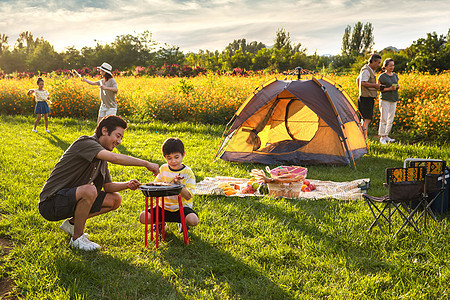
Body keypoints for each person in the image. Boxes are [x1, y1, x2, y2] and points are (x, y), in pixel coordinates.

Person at [38, 115, 159, 251]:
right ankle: (77, 239)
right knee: (90, 190)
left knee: (115, 199)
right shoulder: (85, 143)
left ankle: (72, 225)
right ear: (105, 131)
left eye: (121, 138)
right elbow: (115, 158)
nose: (119, 141)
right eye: (117, 136)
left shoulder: (102, 158)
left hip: (69, 199)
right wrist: (146, 163)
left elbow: (108, 186)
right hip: (51, 203)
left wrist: (127, 184)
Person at [139, 137, 199, 234]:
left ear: (183, 155)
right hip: (163, 207)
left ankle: (183, 223)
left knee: (193, 220)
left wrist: (179, 185)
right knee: (143, 217)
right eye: (169, 158)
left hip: (181, 207)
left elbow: (188, 196)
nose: (173, 161)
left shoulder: (188, 172)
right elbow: (156, 186)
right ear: (164, 157)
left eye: (176, 157)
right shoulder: (163, 169)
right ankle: (160, 222)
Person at [357, 54, 382, 137]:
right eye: (378, 63)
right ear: (373, 61)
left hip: (365, 97)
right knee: (366, 120)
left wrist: (360, 91)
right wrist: (375, 86)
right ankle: (364, 138)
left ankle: (361, 137)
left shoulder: (368, 69)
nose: (379, 65)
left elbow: (358, 79)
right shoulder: (366, 70)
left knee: (364, 119)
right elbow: (363, 82)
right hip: (366, 98)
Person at [377, 58, 400, 144]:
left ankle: (386, 135)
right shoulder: (382, 76)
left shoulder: (395, 75)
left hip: (394, 99)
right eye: (390, 65)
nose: (392, 67)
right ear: (385, 66)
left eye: (393, 65)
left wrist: (397, 86)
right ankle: (382, 137)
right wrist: (389, 89)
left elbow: (397, 84)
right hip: (385, 99)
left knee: (391, 119)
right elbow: (379, 88)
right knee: (384, 118)